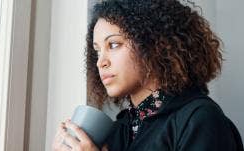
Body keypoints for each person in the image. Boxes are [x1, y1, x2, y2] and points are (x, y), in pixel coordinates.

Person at [52, 0, 244, 150]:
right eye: (97, 51)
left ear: (154, 45)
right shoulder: (118, 130)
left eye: (114, 44)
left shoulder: (199, 118)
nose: (100, 61)